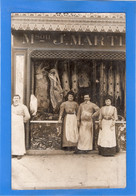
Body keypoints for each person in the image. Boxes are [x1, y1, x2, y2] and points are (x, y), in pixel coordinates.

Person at [12, 95, 30, 159]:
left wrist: (22, 121)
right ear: (13, 99)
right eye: (15, 98)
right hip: (12, 124)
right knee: (13, 138)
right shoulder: (10, 107)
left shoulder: (23, 107)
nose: (16, 100)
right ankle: (13, 153)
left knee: (19, 138)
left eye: (17, 98)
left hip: (19, 124)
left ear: (19, 99)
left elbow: (28, 116)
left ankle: (20, 153)